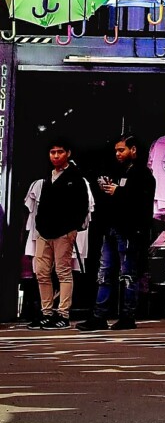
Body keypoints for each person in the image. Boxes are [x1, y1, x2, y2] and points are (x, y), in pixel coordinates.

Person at [77, 135, 155, 331]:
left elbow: (142, 203)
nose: (118, 154)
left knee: (128, 274)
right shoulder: (118, 171)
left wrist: (119, 192)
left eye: (121, 150)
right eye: (116, 151)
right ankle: (99, 315)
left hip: (129, 230)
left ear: (133, 150)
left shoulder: (143, 175)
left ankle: (127, 316)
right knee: (105, 273)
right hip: (112, 228)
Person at [27, 139, 91, 330]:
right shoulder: (48, 176)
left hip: (63, 232)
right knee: (42, 272)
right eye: (52, 152)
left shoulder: (76, 177)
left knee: (63, 272)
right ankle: (46, 312)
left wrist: (72, 227)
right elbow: (42, 204)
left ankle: (63, 314)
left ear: (68, 153)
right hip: (44, 231)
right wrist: (39, 224)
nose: (56, 156)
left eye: (60, 152)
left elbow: (82, 206)